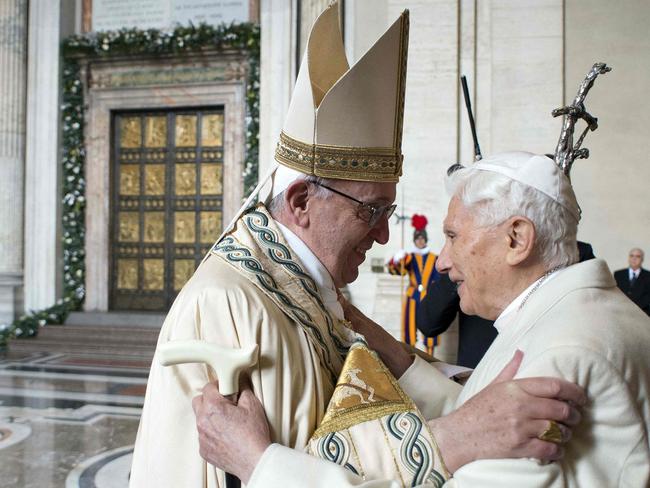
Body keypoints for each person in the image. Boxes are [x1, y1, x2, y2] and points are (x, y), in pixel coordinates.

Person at [132, 4, 587, 487]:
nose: (383, 235)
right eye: (369, 211)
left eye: (387, 213)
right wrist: (456, 436)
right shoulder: (229, 301)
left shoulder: (314, 292)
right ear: (302, 199)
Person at [191, 66, 650, 487]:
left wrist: (258, 463)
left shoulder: (563, 354)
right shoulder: (584, 313)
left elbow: (484, 436)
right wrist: (380, 344)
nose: (443, 261)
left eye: (453, 237)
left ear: (517, 239)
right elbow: (484, 415)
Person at [418, 241, 594, 369]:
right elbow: (428, 323)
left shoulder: (578, 256)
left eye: (453, 235)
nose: (441, 262)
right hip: (474, 386)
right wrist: (460, 267)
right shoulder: (467, 257)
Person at [416, 272, 497, 368]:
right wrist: (458, 269)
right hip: (473, 374)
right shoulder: (458, 268)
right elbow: (427, 323)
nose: (439, 265)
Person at [387, 214, 440, 353]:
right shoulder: (409, 257)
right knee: (409, 329)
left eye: (422, 238)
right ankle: (411, 357)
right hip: (412, 297)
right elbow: (396, 271)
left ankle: (430, 358)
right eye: (418, 238)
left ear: (426, 239)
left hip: (429, 297)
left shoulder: (435, 258)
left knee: (430, 328)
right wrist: (397, 260)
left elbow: (439, 278)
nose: (420, 241)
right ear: (414, 240)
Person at [614, 248, 650, 315]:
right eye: (632, 256)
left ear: (642, 259)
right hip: (621, 312)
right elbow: (615, 292)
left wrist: (634, 308)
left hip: (642, 313)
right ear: (629, 258)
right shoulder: (618, 274)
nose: (634, 258)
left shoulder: (648, 276)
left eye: (638, 256)